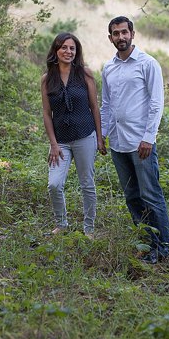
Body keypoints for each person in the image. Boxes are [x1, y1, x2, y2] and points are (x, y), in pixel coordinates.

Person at [101, 15, 169, 265]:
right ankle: (145, 243)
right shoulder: (108, 68)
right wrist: (103, 136)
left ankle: (163, 248)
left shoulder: (147, 63)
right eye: (115, 33)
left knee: (151, 194)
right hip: (118, 144)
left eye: (124, 32)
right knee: (131, 195)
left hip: (141, 143)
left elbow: (156, 103)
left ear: (132, 34)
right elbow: (107, 105)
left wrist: (149, 138)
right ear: (110, 38)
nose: (121, 37)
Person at [41, 32, 104, 238]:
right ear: (56, 50)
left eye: (72, 48)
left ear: (76, 52)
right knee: (54, 184)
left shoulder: (85, 74)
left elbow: (95, 107)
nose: (68, 51)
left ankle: (89, 228)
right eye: (64, 47)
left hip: (85, 136)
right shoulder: (47, 79)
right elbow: (46, 114)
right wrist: (53, 144)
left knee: (87, 183)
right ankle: (62, 224)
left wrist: (99, 138)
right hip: (61, 141)